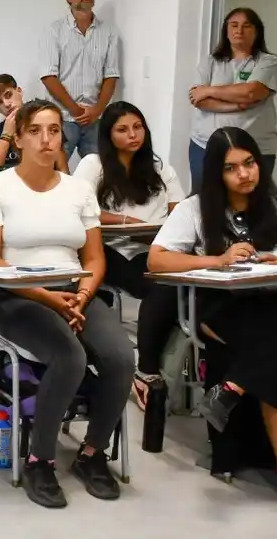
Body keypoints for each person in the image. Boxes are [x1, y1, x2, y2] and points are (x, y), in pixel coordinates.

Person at [148, 127, 277, 512]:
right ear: (216, 174)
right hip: (222, 309)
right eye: (232, 168)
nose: (245, 174)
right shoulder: (195, 209)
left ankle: (236, 388)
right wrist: (217, 260)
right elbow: (158, 259)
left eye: (250, 163)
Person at [0, 99, 133, 509]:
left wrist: (80, 295)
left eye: (55, 130)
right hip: (17, 295)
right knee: (69, 356)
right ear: (20, 138)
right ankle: (39, 460)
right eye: (36, 130)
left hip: (73, 292)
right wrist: (44, 295)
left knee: (120, 357)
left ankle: (93, 453)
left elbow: (94, 259)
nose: (47, 139)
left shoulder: (79, 190)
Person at [71, 102, 186, 408]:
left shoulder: (160, 167)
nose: (133, 135)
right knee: (163, 286)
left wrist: (166, 232)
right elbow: (81, 210)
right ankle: (146, 372)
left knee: (190, 288)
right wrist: (126, 223)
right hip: (116, 247)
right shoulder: (94, 165)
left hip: (161, 246)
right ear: (108, 136)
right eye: (122, 130)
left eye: (138, 127)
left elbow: (181, 213)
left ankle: (181, 363)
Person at [188, 8, 277, 192]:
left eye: (247, 26)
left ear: (257, 31)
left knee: (250, 204)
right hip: (205, 145)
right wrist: (237, 104)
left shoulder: (268, 62)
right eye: (234, 25)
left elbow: (251, 92)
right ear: (226, 30)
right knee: (203, 201)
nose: (239, 30)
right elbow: (198, 99)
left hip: (255, 149)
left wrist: (210, 90)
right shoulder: (211, 62)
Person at [39, 0, 122, 161]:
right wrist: (76, 110)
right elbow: (48, 77)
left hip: (95, 119)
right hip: (61, 117)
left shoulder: (109, 31)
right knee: (54, 172)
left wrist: (97, 110)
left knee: (96, 173)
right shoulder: (54, 31)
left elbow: (111, 75)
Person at [0, 75, 68, 174]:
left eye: (8, 95)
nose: (6, 104)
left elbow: (62, 168)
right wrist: (6, 135)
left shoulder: (45, 123)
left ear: (19, 91)